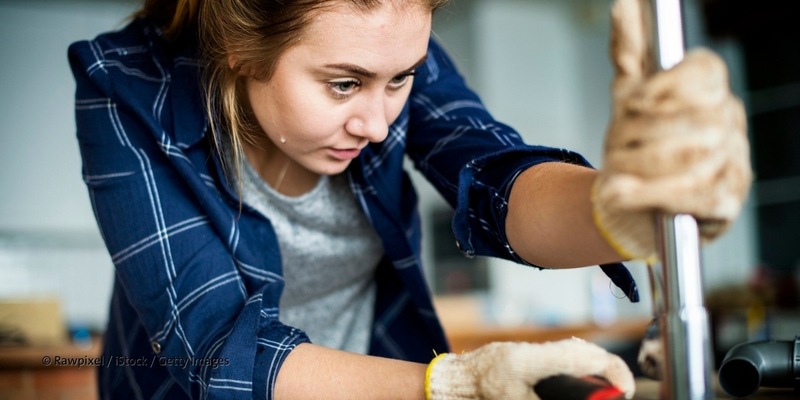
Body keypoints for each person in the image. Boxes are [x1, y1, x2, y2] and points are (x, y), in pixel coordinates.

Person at [67, 0, 750, 398]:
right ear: (244, 52)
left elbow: (492, 176)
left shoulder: (384, 43)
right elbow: (218, 347)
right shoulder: (123, 86)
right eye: (342, 85)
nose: (379, 123)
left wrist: (612, 209)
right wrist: (454, 384)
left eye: (402, 81)